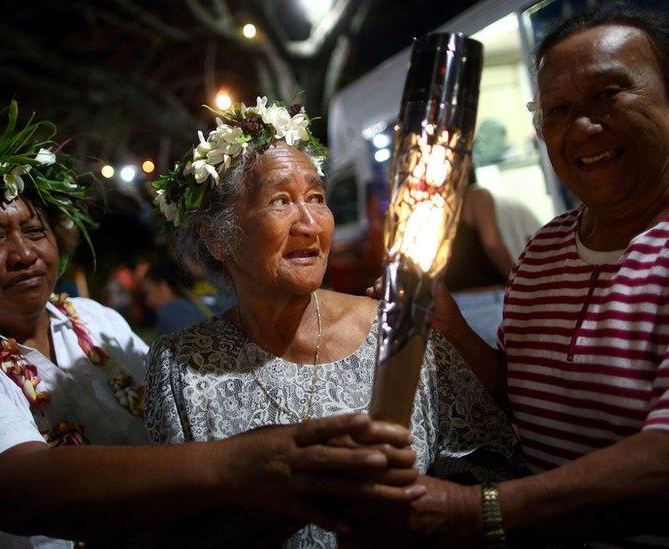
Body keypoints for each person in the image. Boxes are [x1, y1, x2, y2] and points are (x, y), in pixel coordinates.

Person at [0, 102, 427, 548]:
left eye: (34, 231)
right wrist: (237, 465)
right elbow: (18, 490)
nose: (23, 253)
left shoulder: (98, 323)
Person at [360, 3, 669, 546]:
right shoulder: (547, 249)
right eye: (556, 109)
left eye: (608, 95)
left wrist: (469, 512)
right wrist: (454, 330)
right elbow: (528, 399)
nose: (582, 126)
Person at [146, 97, 521, 548]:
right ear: (217, 236)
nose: (310, 223)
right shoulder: (180, 366)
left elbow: (490, 463)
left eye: (317, 198)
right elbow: (177, 527)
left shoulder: (397, 331)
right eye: (280, 200)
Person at [441, 173, 517, 347]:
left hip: (451, 307)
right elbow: (492, 242)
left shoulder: (422, 206)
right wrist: (518, 279)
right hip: (488, 301)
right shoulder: (474, 196)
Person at [141, 255, 211, 336]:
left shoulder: (170, 312)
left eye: (149, 293)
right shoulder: (210, 302)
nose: (148, 302)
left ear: (164, 287)